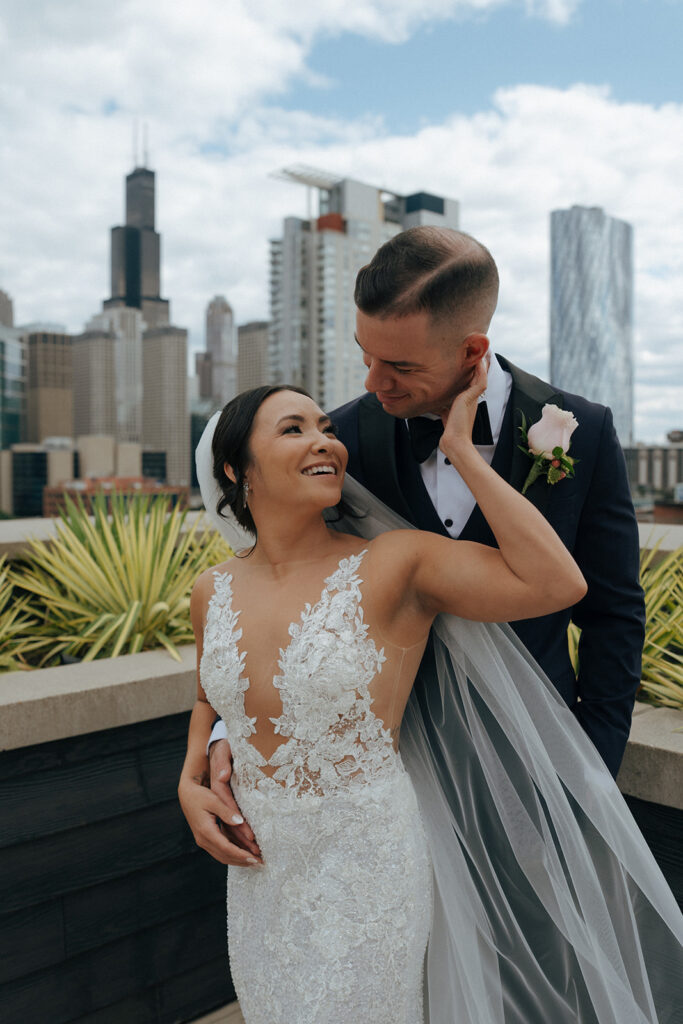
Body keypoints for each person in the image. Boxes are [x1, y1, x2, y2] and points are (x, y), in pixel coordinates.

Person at [181, 380, 682, 1024]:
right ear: (233, 468)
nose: (325, 441)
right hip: (261, 873)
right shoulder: (210, 590)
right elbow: (209, 692)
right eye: (293, 429)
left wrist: (463, 454)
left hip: (365, 866)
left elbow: (557, 582)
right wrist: (191, 777)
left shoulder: (396, 563)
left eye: (326, 428)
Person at [181, 226, 645, 868]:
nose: (375, 382)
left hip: (535, 766)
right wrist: (229, 730)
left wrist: (591, 770)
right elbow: (282, 585)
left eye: (399, 366)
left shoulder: (578, 429)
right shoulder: (337, 440)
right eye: (364, 355)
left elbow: (614, 614)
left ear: (471, 349)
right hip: (386, 775)